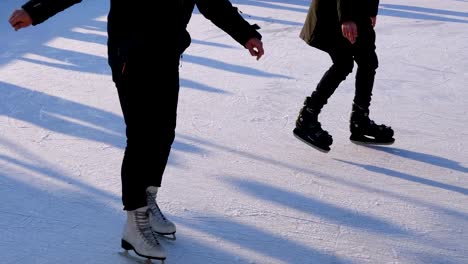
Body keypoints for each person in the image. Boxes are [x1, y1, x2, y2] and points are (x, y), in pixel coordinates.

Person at [9, 0, 264, 262]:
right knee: (142, 137)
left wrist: (246, 35)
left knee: (164, 133)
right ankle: (135, 219)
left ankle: (147, 197)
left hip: (166, 54)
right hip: (130, 56)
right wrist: (34, 10)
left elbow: (213, 3)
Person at [293, 0, 394, 152]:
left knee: (368, 60)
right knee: (343, 63)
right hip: (335, 10)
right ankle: (307, 117)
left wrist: (371, 8)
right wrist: (346, 17)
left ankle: (360, 120)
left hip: (358, 9)